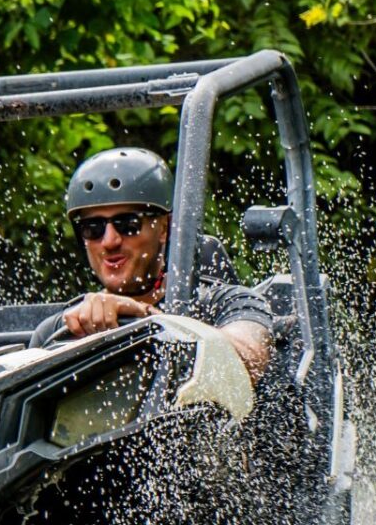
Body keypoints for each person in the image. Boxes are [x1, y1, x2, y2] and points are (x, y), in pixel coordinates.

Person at [54, 147, 274, 380]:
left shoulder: (225, 304)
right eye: (93, 228)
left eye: (128, 224)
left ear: (164, 228)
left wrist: (149, 321)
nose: (109, 241)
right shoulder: (64, 327)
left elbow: (248, 361)